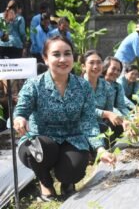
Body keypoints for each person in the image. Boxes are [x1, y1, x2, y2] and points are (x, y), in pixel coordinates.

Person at [13, 36, 115, 201]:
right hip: (43, 139)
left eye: (67, 54)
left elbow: (88, 121)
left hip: (72, 138)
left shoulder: (83, 87)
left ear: (73, 58)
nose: (63, 59)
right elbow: (22, 108)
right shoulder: (34, 84)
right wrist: (20, 118)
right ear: (46, 59)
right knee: (32, 149)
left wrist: (100, 148)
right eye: (56, 54)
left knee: (75, 167)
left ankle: (67, 183)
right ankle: (45, 184)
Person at [81, 50, 134, 147]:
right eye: (91, 63)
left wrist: (124, 121)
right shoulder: (76, 85)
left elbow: (111, 110)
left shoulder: (107, 87)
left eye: (98, 62)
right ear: (83, 66)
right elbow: (83, 110)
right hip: (81, 126)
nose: (96, 66)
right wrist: (107, 114)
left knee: (114, 130)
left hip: (100, 125)